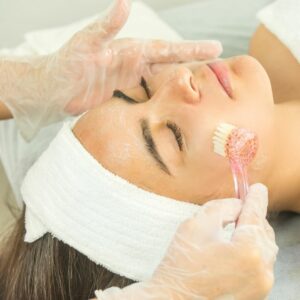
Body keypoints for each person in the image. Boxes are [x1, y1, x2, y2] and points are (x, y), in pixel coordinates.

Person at [0, 0, 290, 298]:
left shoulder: (277, 39)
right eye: (174, 136)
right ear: (229, 223)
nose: (179, 78)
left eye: (141, 92)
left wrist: (31, 83)